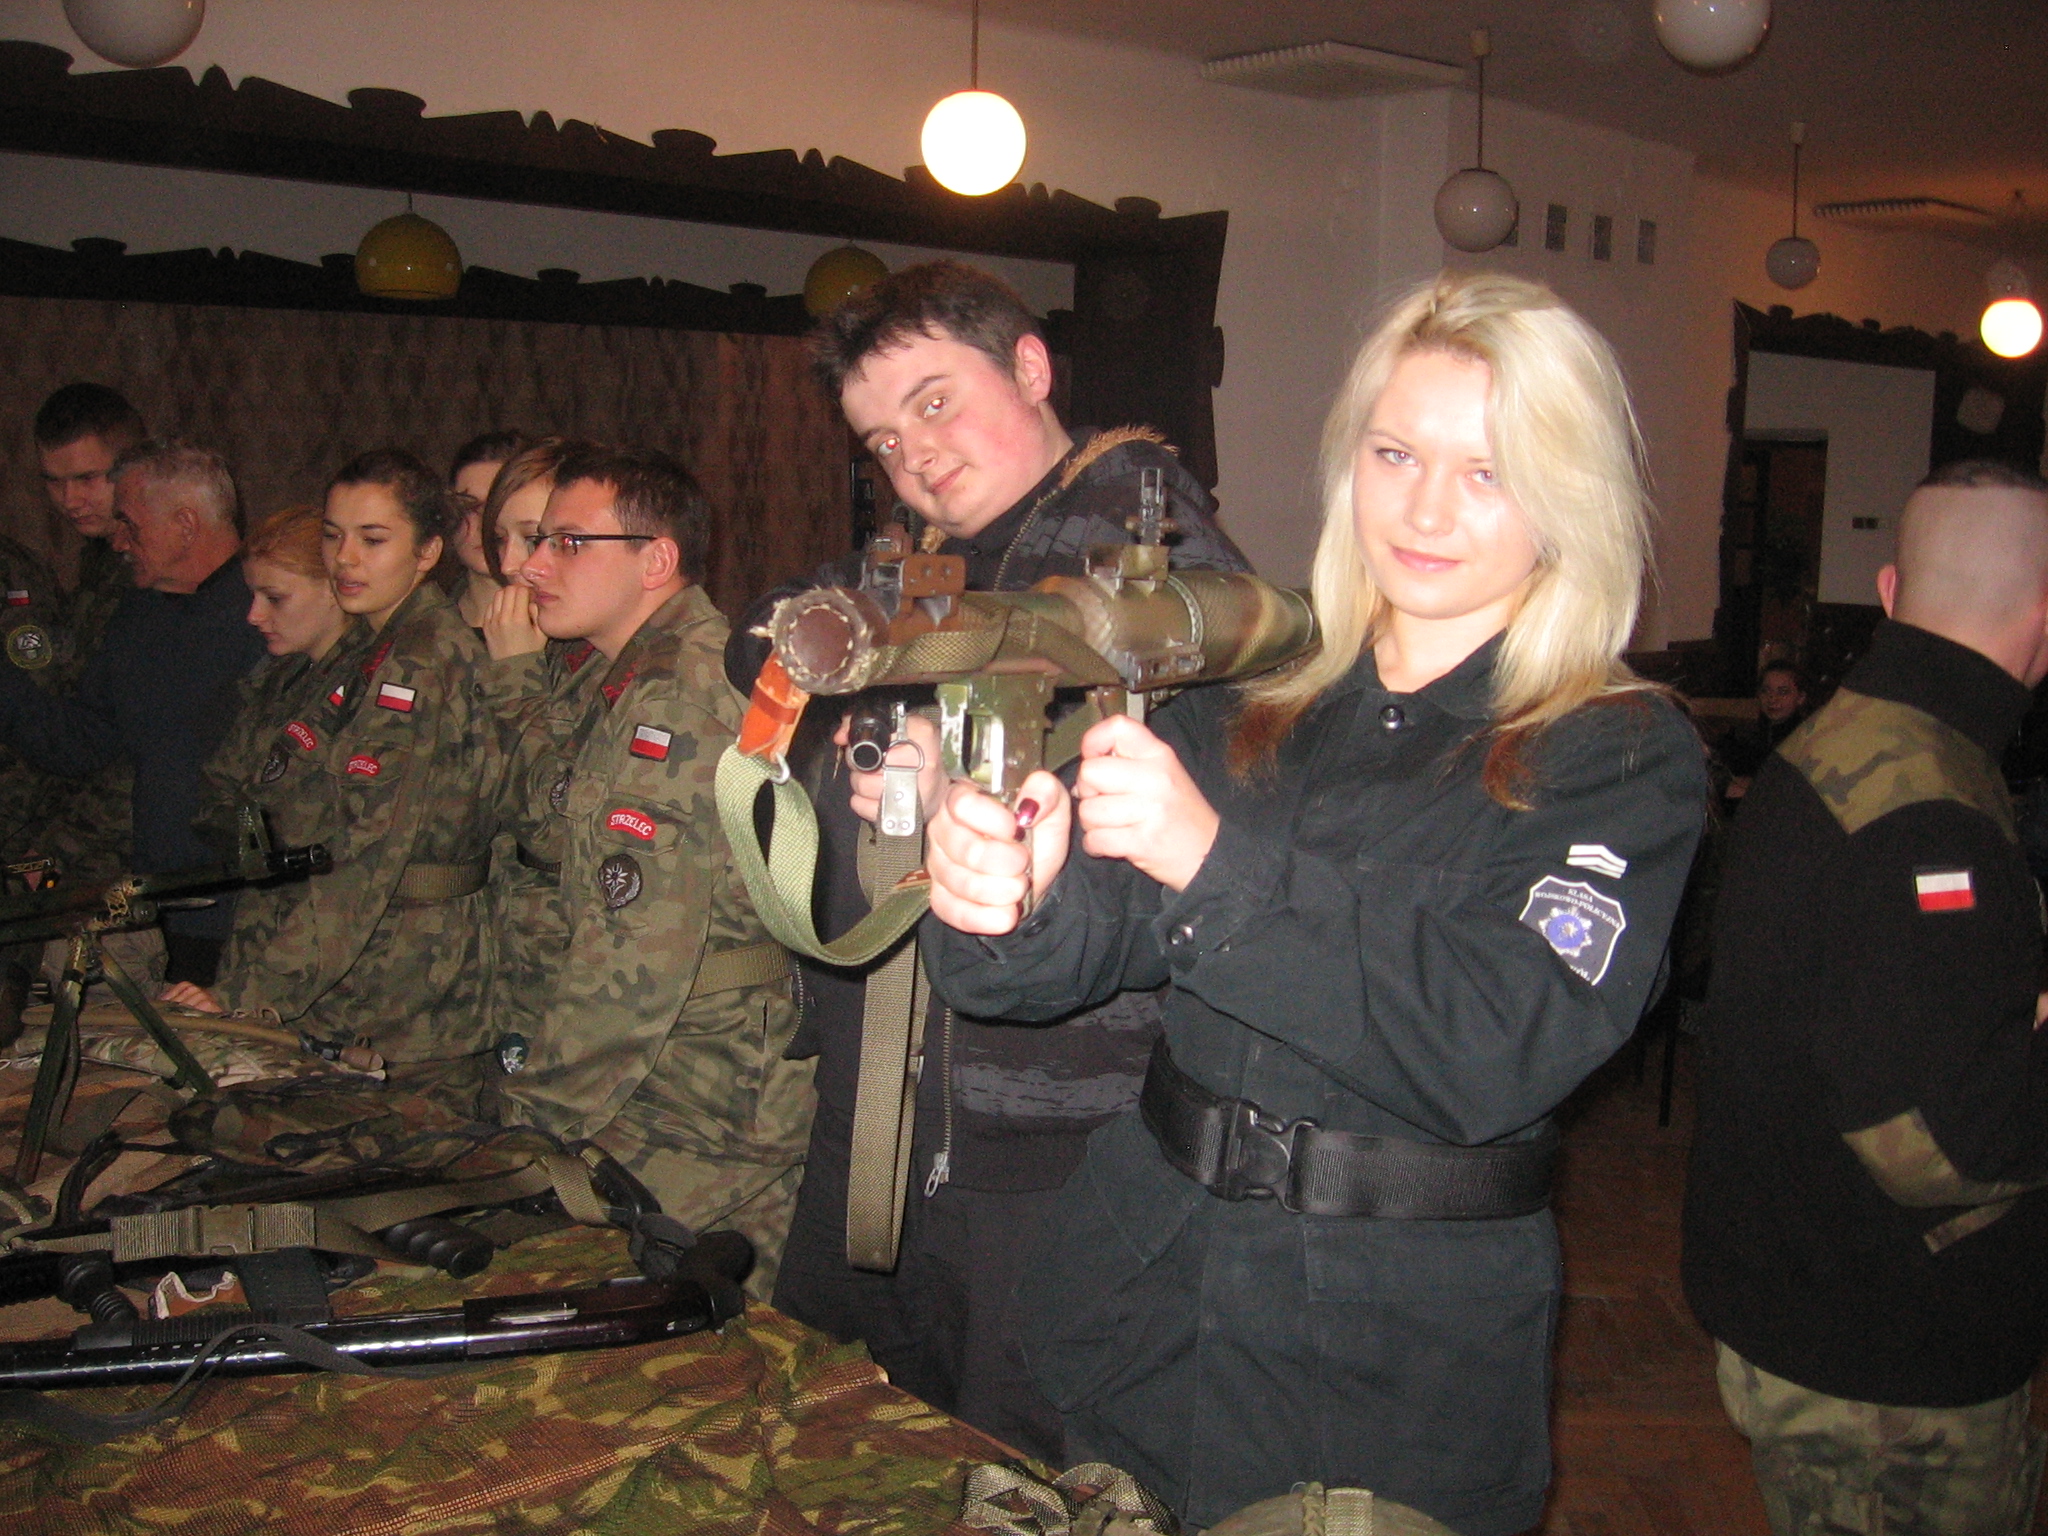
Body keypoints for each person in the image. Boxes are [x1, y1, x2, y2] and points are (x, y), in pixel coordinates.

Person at [917, 271, 1706, 1533]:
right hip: (1142, 1294)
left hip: (1384, 1357)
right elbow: (1072, 951)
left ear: (1568, 496)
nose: (1425, 508)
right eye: (1395, 454)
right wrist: (1006, 890)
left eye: (1488, 471)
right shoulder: (1257, 697)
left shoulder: (1612, 754)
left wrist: (1211, 866)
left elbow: (1498, 1042)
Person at [722, 258, 1248, 1462]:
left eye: (933, 402)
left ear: (1028, 367)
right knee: (844, 1445)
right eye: (879, 438)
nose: (911, 452)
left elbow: (1160, 856)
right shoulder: (935, 560)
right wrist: (864, 723)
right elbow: (772, 635)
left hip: (1040, 1134)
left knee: (1020, 1468)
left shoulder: (1147, 573)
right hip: (887, 1102)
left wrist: (962, 770)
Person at [1683, 460, 2048, 1536]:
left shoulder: (1847, 741)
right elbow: (1952, 1147)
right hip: (1887, 1367)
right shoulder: (1926, 812)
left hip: (1813, 1304)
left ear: (1889, 591)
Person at [491, 443, 810, 1297]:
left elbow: (634, 955)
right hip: (675, 1075)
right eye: (538, 541)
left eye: (568, 543)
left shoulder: (676, 694)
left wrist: (532, 1122)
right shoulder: (634, 675)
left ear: (656, 561)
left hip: (701, 1097)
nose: (532, 566)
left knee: (697, 1341)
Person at [164, 451, 499, 1110]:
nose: (345, 558)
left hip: (405, 999)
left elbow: (363, 861)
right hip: (367, 981)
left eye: (373, 540)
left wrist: (244, 998)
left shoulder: (418, 664)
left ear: (428, 552)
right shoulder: (378, 649)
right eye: (333, 535)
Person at [0, 440, 265, 983]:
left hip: (251, 917)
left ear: (186, 524)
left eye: (130, 524)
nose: (117, 540)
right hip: (160, 908)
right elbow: (82, 741)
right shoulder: (139, 615)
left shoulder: (271, 615)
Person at [184, 503, 352, 1001]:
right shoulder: (280, 679)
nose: (254, 615)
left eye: (275, 597)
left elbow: (345, 864)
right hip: (262, 927)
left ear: (335, 587)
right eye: (253, 595)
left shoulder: (372, 689)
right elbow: (217, 795)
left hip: (323, 952)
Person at [447, 430, 531, 632]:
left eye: (499, 505)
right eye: (469, 507)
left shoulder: (569, 628)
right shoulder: (421, 624)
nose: (486, 524)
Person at [1719, 659, 1809, 801]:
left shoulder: (1804, 739)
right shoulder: (1747, 736)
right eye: (1765, 691)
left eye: (1783, 692)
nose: (1772, 698)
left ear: (1800, 698)